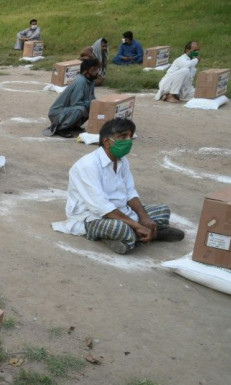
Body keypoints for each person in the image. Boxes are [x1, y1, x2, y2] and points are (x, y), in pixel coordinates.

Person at [63, 118, 184, 254]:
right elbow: (100, 206)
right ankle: (149, 235)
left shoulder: (122, 161)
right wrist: (136, 225)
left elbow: (130, 193)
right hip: (91, 216)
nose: (128, 141)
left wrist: (144, 217)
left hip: (120, 211)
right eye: (122, 137)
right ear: (107, 142)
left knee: (163, 210)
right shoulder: (87, 165)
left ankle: (131, 237)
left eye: (130, 137)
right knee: (119, 228)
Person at [44, 58, 99, 137]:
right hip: (57, 112)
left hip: (68, 110)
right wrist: (91, 103)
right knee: (81, 109)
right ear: (85, 72)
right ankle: (61, 128)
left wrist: (95, 104)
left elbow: (92, 98)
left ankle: (72, 126)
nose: (96, 72)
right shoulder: (81, 82)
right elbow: (75, 102)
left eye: (97, 69)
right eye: (94, 70)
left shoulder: (91, 81)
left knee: (93, 106)